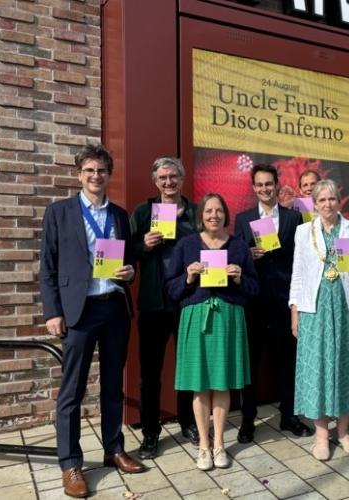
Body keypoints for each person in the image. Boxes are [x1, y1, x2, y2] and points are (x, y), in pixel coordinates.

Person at [40, 144, 146, 499]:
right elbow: (48, 267)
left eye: (101, 170)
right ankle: (70, 463)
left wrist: (130, 272)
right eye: (89, 170)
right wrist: (53, 312)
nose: (95, 176)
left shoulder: (118, 214)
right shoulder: (59, 213)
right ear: (79, 174)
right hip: (78, 311)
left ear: (108, 174)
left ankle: (113, 448)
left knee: (113, 383)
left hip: (114, 307)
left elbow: (128, 259)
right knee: (72, 390)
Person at [165, 194, 259, 470]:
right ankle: (203, 446)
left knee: (221, 382)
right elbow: (170, 289)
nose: (214, 215)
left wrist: (241, 278)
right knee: (200, 384)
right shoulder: (187, 245)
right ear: (201, 216)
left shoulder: (239, 247)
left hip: (229, 317)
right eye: (208, 211)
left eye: (219, 210)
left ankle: (219, 444)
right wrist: (189, 277)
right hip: (196, 316)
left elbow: (255, 289)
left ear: (226, 215)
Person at [289, 179, 349, 461]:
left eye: (332, 199)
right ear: (314, 203)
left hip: (346, 306)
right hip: (314, 308)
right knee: (318, 367)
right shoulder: (303, 232)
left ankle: (345, 431)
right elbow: (298, 274)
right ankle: (322, 434)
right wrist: (295, 310)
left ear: (340, 201)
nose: (327, 204)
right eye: (322, 200)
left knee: (346, 364)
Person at [235, 164, 313, 442]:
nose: (265, 189)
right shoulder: (242, 219)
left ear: (277, 185)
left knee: (287, 361)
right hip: (254, 302)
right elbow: (235, 259)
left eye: (269, 184)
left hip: (285, 301)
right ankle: (247, 420)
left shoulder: (295, 218)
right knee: (251, 362)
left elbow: (302, 260)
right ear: (253, 187)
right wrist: (248, 255)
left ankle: (289, 416)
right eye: (259, 185)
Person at [129, 157, 199, 459]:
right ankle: (150, 433)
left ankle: (188, 422)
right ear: (155, 181)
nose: (168, 182)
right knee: (150, 371)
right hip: (154, 302)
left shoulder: (196, 212)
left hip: (188, 300)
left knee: (188, 367)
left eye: (173, 177)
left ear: (182, 179)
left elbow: (213, 244)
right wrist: (143, 244)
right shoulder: (144, 212)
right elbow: (125, 250)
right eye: (162, 178)